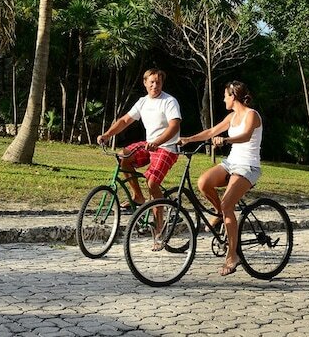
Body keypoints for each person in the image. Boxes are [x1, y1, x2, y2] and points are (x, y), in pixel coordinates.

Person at [178, 81, 262, 276]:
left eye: (225, 96)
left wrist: (225, 140)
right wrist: (189, 139)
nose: (224, 99)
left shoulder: (252, 115)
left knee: (227, 205)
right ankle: (219, 213)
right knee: (203, 182)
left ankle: (232, 255)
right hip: (231, 163)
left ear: (233, 96)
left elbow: (245, 136)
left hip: (248, 167)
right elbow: (211, 132)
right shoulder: (231, 117)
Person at [96, 69, 182, 211]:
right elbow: (125, 120)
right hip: (149, 145)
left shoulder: (169, 101)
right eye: (152, 82)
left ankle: (159, 222)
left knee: (152, 183)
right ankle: (138, 197)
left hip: (167, 147)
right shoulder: (143, 102)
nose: (155, 86)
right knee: (123, 156)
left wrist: (157, 142)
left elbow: (174, 126)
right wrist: (107, 135)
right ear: (145, 82)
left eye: (158, 82)